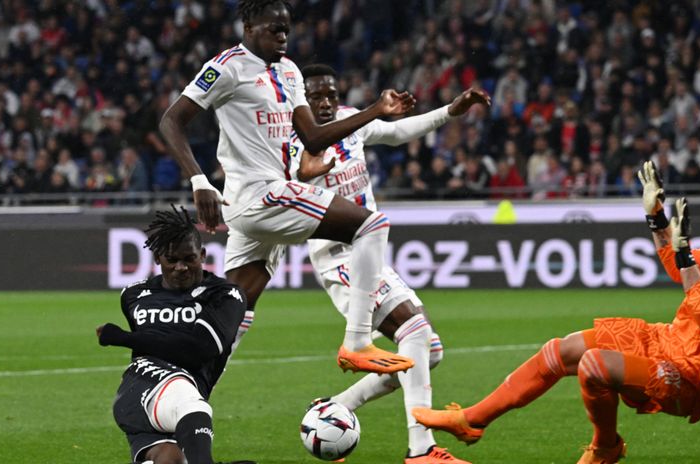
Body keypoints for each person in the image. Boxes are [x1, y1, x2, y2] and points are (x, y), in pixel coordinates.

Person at [412, 162, 700, 464]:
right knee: (564, 349)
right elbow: (677, 268)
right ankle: (472, 420)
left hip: (692, 375)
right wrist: (656, 218)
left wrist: (688, 254)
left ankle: (605, 448)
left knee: (596, 366)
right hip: (669, 340)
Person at [158, 0, 417, 375]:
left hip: (267, 200)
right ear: (249, 29)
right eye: (272, 29)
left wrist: (374, 111)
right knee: (371, 225)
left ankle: (179, 385)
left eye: (285, 29)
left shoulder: (291, 72)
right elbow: (171, 120)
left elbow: (312, 137)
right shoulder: (226, 67)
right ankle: (358, 340)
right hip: (259, 196)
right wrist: (199, 180)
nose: (282, 36)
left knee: (235, 306)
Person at [290, 63, 489, 464]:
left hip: (369, 252)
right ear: (302, 100)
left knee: (428, 351)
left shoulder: (349, 121)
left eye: (331, 93)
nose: (327, 102)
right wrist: (299, 173)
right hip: (337, 256)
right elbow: (278, 187)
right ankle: (422, 450)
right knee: (413, 330)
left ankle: (335, 406)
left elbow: (399, 132)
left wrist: (451, 109)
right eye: (317, 96)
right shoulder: (290, 139)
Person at [96, 206, 253, 464]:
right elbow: (159, 350)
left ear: (202, 255)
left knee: (171, 459)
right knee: (191, 403)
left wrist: (124, 338)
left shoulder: (225, 296)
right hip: (139, 389)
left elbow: (198, 349)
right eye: (172, 260)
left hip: (179, 400)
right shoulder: (134, 295)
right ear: (158, 258)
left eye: (189, 258)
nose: (180, 267)